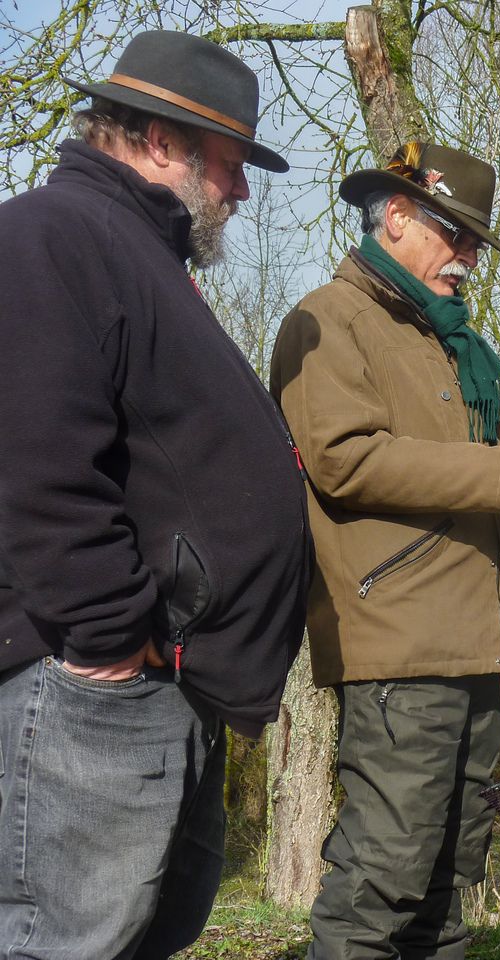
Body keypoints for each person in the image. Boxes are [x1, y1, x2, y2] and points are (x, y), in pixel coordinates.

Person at [0, 30, 310, 960]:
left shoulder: (138, 255)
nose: (241, 190)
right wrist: (107, 641)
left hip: (163, 683)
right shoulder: (50, 234)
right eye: (231, 163)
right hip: (96, 685)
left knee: (140, 938)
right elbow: (34, 458)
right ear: (162, 140)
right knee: (68, 943)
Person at [270, 142, 500, 960]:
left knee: (448, 890)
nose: (469, 258)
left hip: (473, 651)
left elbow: (475, 505)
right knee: (382, 883)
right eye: (458, 236)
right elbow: (343, 459)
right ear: (397, 217)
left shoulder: (451, 344)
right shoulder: (327, 321)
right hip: (398, 649)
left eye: (477, 243)